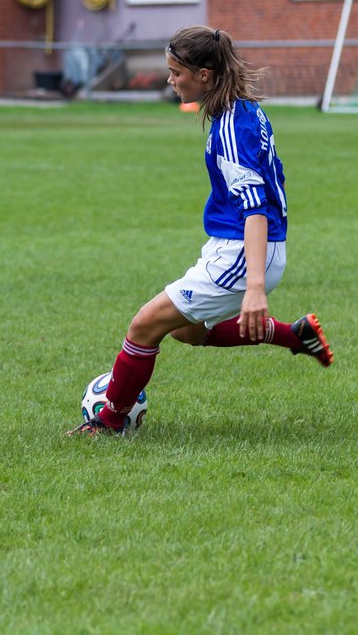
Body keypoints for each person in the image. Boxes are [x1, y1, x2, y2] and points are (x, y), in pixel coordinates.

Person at [67, 25, 333, 436]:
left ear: (204, 74)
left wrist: (256, 287)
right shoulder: (241, 111)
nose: (170, 80)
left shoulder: (231, 130)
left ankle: (109, 422)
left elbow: (256, 207)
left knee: (144, 326)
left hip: (244, 253)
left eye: (176, 72)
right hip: (234, 246)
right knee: (188, 332)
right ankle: (295, 336)